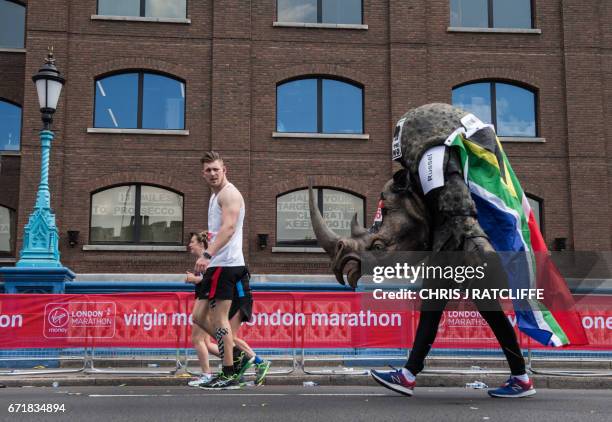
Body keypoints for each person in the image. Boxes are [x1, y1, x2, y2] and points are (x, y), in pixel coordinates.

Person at [193, 151, 271, 390]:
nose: (212, 173)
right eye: (208, 170)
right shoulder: (215, 195)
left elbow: (228, 228)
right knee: (198, 317)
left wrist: (206, 254)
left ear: (224, 169)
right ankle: (237, 355)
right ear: (203, 173)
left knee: (219, 321)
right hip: (217, 266)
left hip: (227, 266)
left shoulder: (230, 194)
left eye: (216, 169)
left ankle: (229, 371)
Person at [184, 231, 218, 387]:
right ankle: (237, 359)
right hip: (203, 300)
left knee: (197, 339)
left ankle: (206, 374)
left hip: (206, 301)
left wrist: (194, 279)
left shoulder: (207, 260)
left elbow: (210, 279)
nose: (189, 245)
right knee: (206, 342)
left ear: (201, 244)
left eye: (192, 242)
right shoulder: (200, 261)